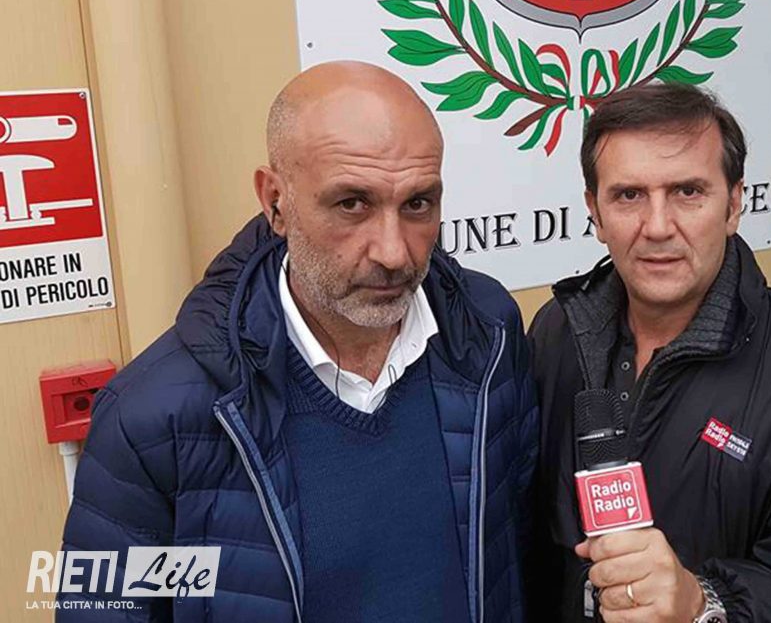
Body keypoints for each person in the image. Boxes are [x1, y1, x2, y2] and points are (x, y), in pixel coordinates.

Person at [58, 61, 538, 622]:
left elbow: (520, 550)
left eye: (417, 204)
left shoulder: (488, 335)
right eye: (352, 204)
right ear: (275, 202)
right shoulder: (153, 416)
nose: (393, 252)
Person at [528, 83, 771, 622]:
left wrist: (703, 604)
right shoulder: (557, 332)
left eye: (688, 192)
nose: (657, 227)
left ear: (734, 204)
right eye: (628, 196)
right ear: (595, 214)